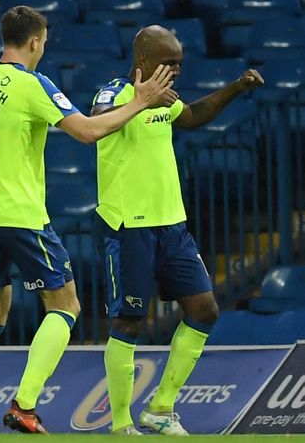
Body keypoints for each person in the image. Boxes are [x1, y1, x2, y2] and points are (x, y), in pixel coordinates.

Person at [0, 6, 175, 434]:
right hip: (21, 215)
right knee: (66, 304)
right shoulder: (32, 84)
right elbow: (88, 132)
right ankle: (24, 405)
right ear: (36, 41)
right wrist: (141, 102)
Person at [93, 25, 263, 435]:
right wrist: (141, 100)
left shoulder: (166, 99)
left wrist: (235, 88)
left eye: (181, 64)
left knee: (204, 309)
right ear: (144, 62)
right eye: (170, 63)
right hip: (129, 226)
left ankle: (161, 408)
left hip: (172, 226)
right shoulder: (114, 93)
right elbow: (96, 122)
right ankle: (120, 425)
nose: (177, 71)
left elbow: (190, 117)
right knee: (129, 321)